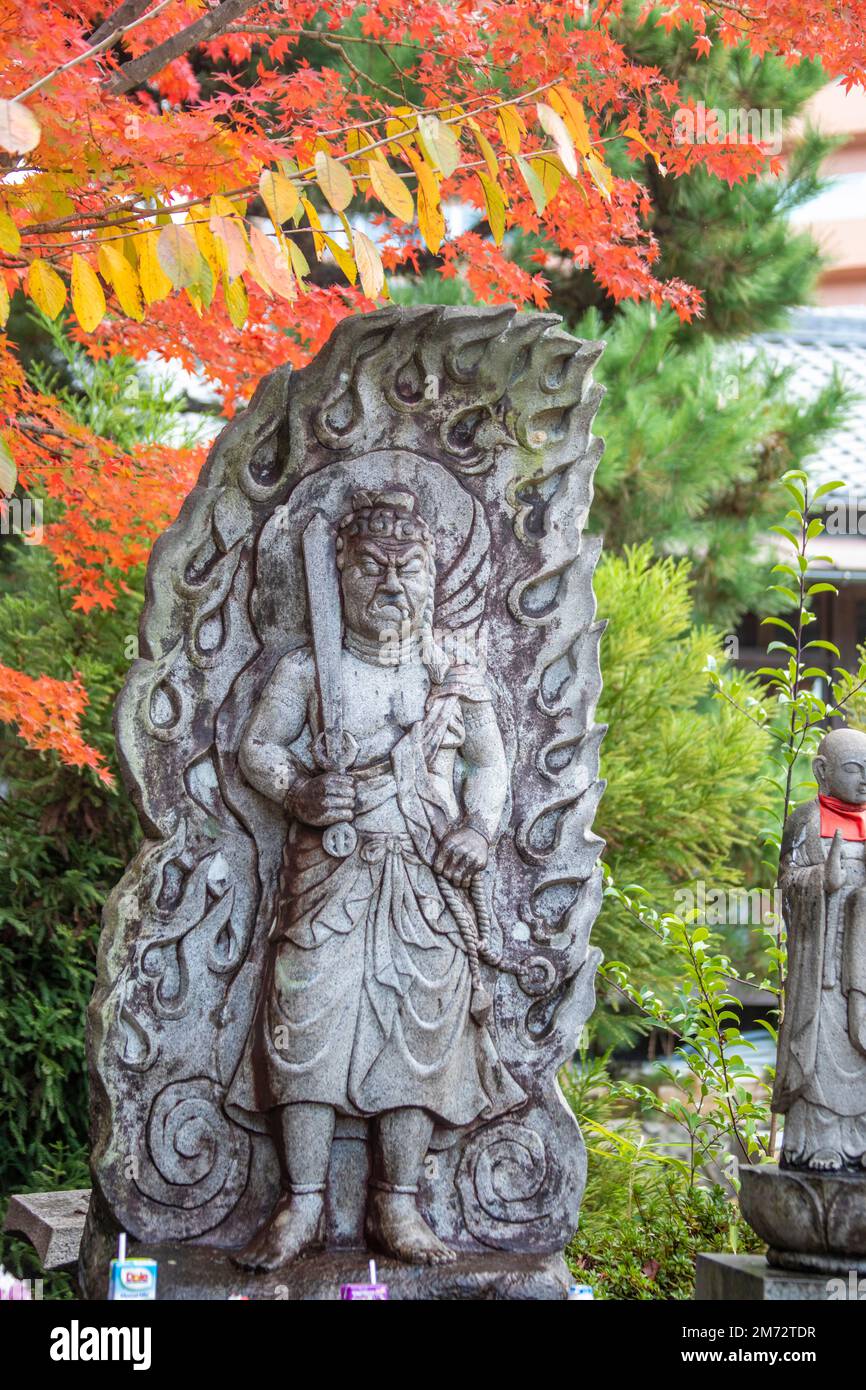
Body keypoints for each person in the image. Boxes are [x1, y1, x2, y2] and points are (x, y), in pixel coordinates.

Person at [226, 488, 525, 1269]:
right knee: (306, 1021)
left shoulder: (453, 677)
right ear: (342, 578)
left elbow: (491, 765)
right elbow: (258, 746)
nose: (392, 585)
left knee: (420, 1028)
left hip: (425, 878)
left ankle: (398, 1203)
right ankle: (302, 1202)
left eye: (409, 570)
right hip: (329, 876)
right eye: (371, 570)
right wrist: (298, 790)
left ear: (434, 579)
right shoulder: (310, 670)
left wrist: (477, 829)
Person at [774, 726, 866, 1171]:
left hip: (861, 959)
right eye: (854, 769)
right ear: (822, 772)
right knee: (823, 1045)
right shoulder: (805, 820)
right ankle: (817, 1141)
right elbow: (787, 883)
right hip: (821, 961)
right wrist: (821, 882)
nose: (864, 780)